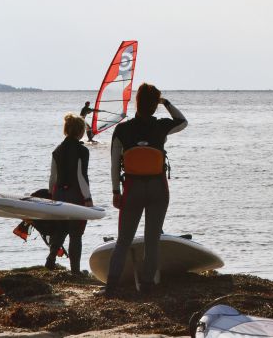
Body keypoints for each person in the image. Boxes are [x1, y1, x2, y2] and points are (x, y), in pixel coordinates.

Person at [101, 83, 187, 296]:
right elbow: (183, 121)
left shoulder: (122, 129)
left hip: (132, 189)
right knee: (152, 240)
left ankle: (111, 287)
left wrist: (115, 191)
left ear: (136, 102)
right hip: (158, 188)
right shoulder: (161, 126)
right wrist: (166, 102)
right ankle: (147, 287)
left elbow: (114, 164)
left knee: (123, 240)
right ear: (155, 105)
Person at [46, 113, 93, 274]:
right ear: (80, 131)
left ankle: (51, 258)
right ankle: (75, 271)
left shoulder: (57, 150)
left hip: (59, 193)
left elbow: (53, 178)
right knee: (76, 233)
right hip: (75, 194)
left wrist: (52, 196)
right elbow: (81, 176)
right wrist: (88, 198)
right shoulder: (82, 151)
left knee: (60, 228)